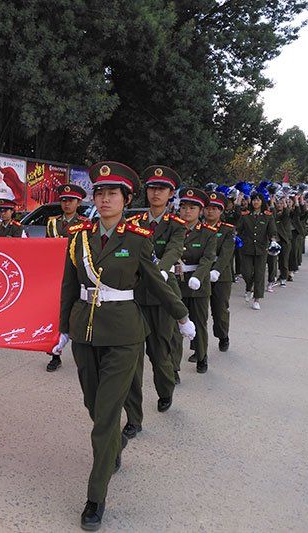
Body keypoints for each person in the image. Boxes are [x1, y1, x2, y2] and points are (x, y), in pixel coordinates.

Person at [51, 161, 195, 531]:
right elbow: (70, 285)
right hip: (85, 333)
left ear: (126, 198)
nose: (104, 199)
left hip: (125, 336)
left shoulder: (136, 238)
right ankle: (114, 448)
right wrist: (63, 329)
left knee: (106, 416)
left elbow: (156, 282)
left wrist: (181, 316)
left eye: (112, 193)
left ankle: (95, 497)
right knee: (93, 406)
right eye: (99, 192)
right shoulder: (79, 236)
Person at [122, 165, 185, 443]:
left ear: (171, 194)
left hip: (161, 295)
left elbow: (173, 250)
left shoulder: (176, 225)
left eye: (161, 189)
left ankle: (166, 389)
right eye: (151, 188)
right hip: (135, 295)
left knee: (160, 354)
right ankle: (134, 418)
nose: (155, 192)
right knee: (132, 361)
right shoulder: (134, 222)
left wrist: (162, 268)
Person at [45, 183, 88, 372]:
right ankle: (55, 354)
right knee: (55, 313)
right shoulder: (52, 222)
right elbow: (46, 247)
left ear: (78, 202)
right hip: (56, 273)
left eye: (70, 201)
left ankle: (83, 352)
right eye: (63, 200)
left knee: (78, 312)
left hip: (77, 274)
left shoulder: (85, 223)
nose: (66, 204)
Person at [176, 188, 217, 373]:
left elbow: (208, 258)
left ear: (200, 211)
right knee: (174, 326)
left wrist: (197, 277)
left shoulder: (208, 233)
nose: (187, 211)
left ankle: (201, 356)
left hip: (198, 284)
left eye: (192, 208)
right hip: (175, 283)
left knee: (199, 322)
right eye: (183, 207)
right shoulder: (172, 229)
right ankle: (173, 368)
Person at [203, 191, 236, 352]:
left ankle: (223, 336)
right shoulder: (198, 227)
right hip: (200, 274)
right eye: (208, 208)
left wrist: (215, 271)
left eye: (215, 208)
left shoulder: (228, 230)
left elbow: (226, 254)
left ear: (221, 211)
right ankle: (198, 347)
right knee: (198, 312)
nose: (210, 211)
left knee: (220, 309)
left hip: (221, 275)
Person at [236, 191, 278, 310]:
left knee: (259, 273)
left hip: (261, 248)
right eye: (254, 199)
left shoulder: (267, 215)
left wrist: (273, 240)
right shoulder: (245, 215)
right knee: (246, 272)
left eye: (258, 200)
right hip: (246, 247)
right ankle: (249, 286)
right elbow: (238, 228)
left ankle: (257, 299)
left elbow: (272, 230)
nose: (256, 202)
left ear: (262, 202)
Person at [274, 196, 293, 286]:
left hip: (284, 240)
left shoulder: (286, 214)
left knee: (283, 260)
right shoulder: (273, 214)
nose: (279, 205)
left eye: (281, 203)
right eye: (278, 203)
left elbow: (286, 211)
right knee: (273, 260)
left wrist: (285, 200)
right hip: (275, 240)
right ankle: (273, 277)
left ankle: (283, 278)